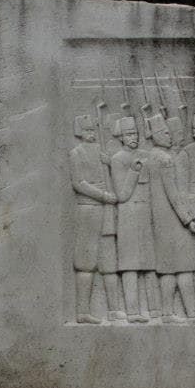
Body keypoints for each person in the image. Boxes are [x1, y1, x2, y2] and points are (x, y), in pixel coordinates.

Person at [145, 113, 195, 324]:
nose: (169, 136)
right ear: (154, 135)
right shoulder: (164, 159)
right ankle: (190, 314)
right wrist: (189, 220)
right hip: (174, 221)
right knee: (184, 266)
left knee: (168, 267)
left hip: (159, 220)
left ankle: (168, 313)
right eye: (164, 133)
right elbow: (174, 195)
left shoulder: (149, 156)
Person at [69, 114, 120, 323]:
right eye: (88, 130)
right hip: (89, 209)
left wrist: (109, 164)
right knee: (86, 262)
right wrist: (102, 195)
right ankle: (83, 312)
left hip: (105, 210)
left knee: (109, 260)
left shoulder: (100, 152)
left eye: (93, 130)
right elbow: (79, 183)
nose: (91, 134)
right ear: (80, 132)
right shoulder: (76, 153)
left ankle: (114, 309)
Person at [110, 116, 157, 323]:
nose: (133, 138)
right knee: (130, 265)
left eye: (135, 134)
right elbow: (122, 194)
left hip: (146, 213)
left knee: (149, 264)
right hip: (128, 215)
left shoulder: (146, 155)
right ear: (121, 137)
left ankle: (156, 311)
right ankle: (132, 312)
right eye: (129, 134)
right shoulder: (118, 159)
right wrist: (134, 170)